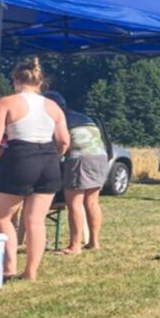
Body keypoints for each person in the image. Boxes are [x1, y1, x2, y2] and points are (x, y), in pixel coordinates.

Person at [0, 58, 71, 282]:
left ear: (15, 79)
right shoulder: (53, 107)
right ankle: (30, 272)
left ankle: (9, 268)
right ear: (40, 83)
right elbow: (64, 141)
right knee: (35, 220)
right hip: (48, 161)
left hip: (20, 158)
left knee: (1, 217)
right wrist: (52, 157)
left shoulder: (6, 102)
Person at [57, 103, 109, 251]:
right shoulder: (82, 117)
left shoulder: (60, 119)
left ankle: (75, 246)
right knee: (92, 202)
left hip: (80, 159)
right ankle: (94, 242)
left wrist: (56, 157)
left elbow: (63, 142)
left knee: (75, 203)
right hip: (100, 156)